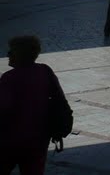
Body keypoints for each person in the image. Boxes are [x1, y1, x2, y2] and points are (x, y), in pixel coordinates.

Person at [0, 35, 68, 175]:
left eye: (11, 51)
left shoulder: (9, 78)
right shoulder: (45, 71)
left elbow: (3, 109)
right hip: (39, 138)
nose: (8, 54)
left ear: (20, 54)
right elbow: (60, 100)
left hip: (11, 139)